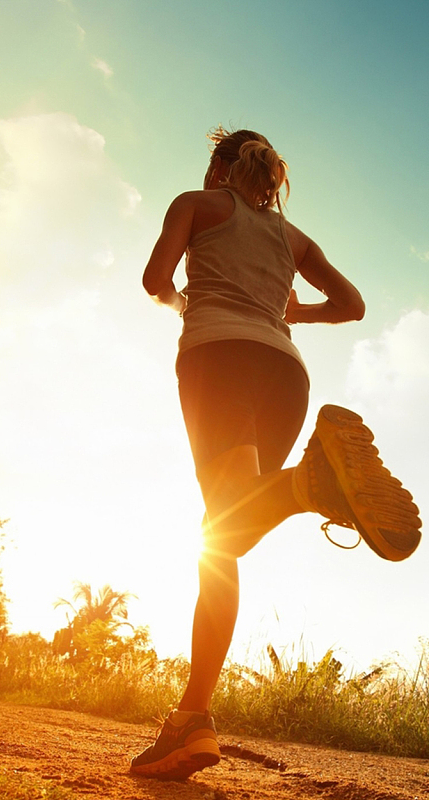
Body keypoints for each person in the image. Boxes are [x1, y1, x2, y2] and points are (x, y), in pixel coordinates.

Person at [130, 127, 422, 781]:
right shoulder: (294, 239)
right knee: (225, 533)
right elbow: (352, 305)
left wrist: (182, 301)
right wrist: (295, 314)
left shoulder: (196, 204)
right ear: (267, 174)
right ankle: (193, 720)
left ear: (218, 168)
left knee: (224, 528)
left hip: (218, 358)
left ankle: (305, 485)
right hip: (286, 374)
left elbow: (154, 279)